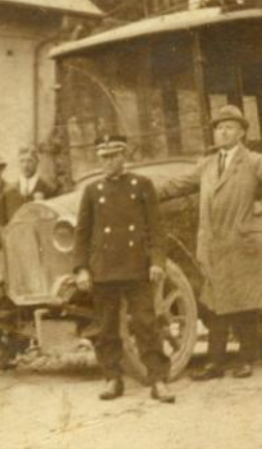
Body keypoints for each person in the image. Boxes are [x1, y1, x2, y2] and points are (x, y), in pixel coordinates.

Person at [158, 105, 262, 380]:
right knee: (215, 305)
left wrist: (258, 217)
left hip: (241, 243)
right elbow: (177, 185)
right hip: (212, 246)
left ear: (241, 132)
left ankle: (246, 360)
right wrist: (142, 192)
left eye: (229, 127)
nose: (222, 132)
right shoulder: (206, 164)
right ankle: (214, 364)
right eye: (218, 127)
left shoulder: (253, 161)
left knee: (244, 305)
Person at [73, 134, 174, 403]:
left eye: (113, 156)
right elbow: (82, 233)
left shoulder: (142, 185)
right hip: (103, 269)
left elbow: (156, 228)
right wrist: (81, 268)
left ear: (124, 156)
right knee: (106, 328)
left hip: (136, 267)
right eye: (104, 157)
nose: (108, 162)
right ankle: (112, 379)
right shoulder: (93, 191)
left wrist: (157, 261)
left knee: (146, 324)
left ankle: (158, 380)